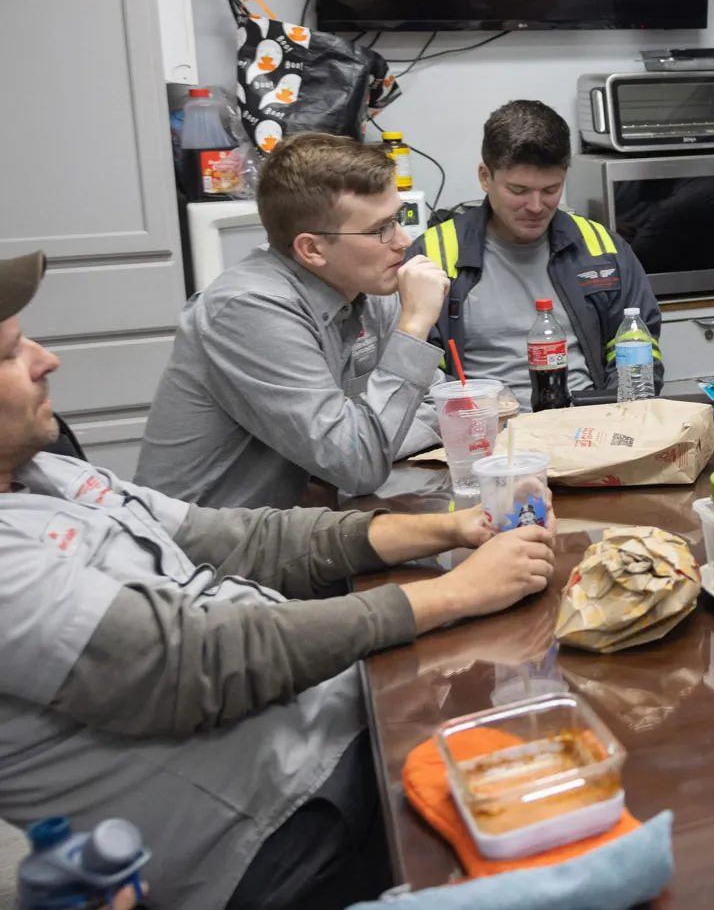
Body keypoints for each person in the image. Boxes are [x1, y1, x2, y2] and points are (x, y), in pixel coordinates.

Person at [0, 249, 555, 910]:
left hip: (335, 729)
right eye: (9, 352)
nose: (44, 358)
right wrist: (457, 593)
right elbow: (198, 660)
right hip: (281, 835)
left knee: (547, 728)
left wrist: (453, 529)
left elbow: (243, 540)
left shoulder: (46, 474)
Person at [136, 133, 449, 508]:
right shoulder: (249, 310)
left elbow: (441, 406)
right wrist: (413, 326)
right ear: (312, 249)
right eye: (379, 229)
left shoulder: (364, 285)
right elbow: (358, 464)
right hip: (205, 553)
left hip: (304, 527)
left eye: (397, 219)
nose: (402, 240)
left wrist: (369, 438)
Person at [415, 100, 662, 409]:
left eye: (550, 190)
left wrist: (617, 409)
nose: (535, 206)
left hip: (590, 422)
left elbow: (638, 343)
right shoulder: (433, 255)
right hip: (486, 431)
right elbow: (418, 372)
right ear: (484, 176)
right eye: (518, 191)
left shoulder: (602, 248)